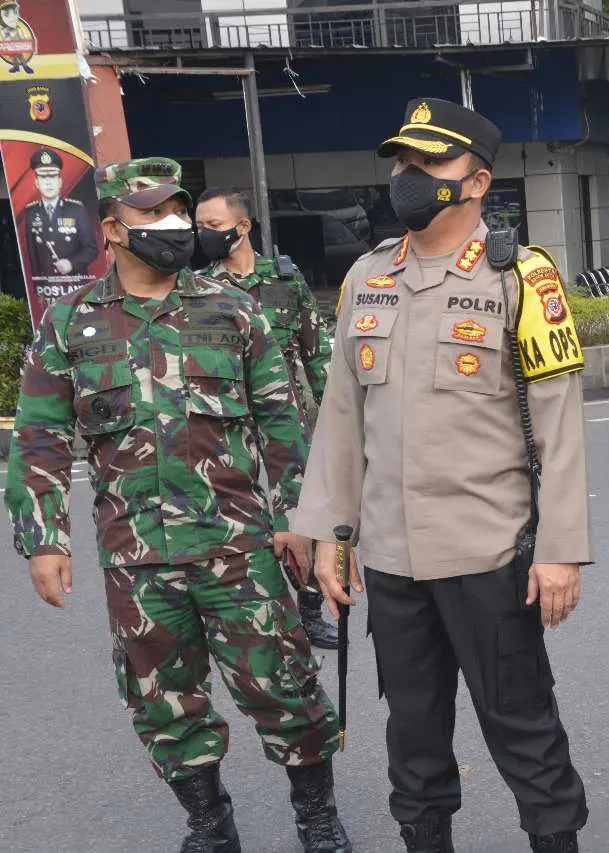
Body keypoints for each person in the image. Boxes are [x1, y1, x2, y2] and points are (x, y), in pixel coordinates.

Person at [4, 157, 350, 853]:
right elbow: (39, 435)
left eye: (179, 211)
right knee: (163, 703)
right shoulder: (72, 326)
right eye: (153, 213)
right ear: (112, 230)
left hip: (239, 549)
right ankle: (209, 820)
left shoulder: (233, 310)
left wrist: (299, 520)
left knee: (286, 689)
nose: (174, 225)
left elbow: (281, 422)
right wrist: (44, 537)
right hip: (137, 561)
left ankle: (316, 814)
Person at [296, 98, 591, 853]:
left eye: (429, 164)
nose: (409, 176)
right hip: (392, 563)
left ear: (478, 180)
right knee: (415, 742)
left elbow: (558, 426)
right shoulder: (367, 279)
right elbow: (340, 418)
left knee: (525, 732)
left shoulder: (521, 278)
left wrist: (559, 547)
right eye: (404, 162)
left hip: (489, 555)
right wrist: (329, 534)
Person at [195, 186, 338, 649]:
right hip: (225, 424)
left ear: (243, 227)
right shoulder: (200, 290)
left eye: (213, 226)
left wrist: (339, 421)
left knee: (300, 513)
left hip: (284, 422)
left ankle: (310, 609)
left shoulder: (287, 282)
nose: (204, 235)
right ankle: (245, 606)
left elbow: (316, 355)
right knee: (235, 516)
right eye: (200, 228)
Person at [22, 147, 98, 278]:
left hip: (75, 283)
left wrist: (71, 263)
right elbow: (33, 255)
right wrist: (37, 284)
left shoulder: (76, 210)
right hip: (47, 286)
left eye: (52, 176)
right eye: (43, 177)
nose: (48, 183)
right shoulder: (31, 212)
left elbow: (92, 250)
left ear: (60, 182)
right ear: (36, 183)